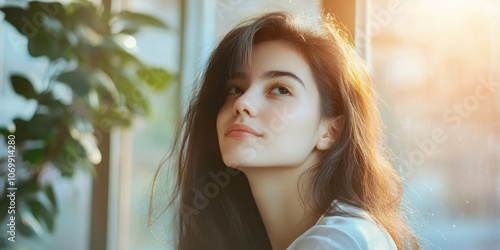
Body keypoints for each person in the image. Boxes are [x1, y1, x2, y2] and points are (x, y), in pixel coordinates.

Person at [151, 11, 420, 250]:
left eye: (280, 89)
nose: (242, 103)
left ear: (330, 130)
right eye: (235, 89)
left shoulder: (338, 241)